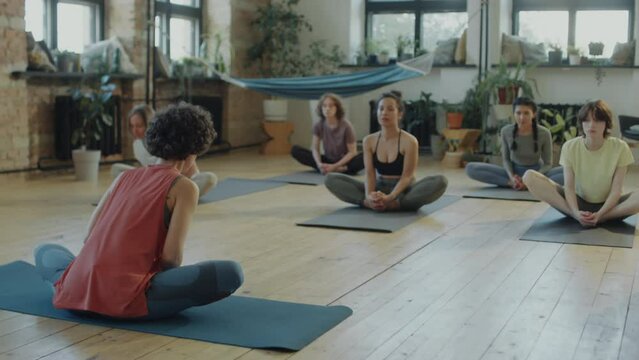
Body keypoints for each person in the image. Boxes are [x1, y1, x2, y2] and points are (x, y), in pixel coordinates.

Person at [34, 103, 243, 319]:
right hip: (126, 298)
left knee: (44, 250)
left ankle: (75, 284)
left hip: (76, 291)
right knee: (231, 273)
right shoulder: (186, 187)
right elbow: (171, 259)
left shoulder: (124, 177)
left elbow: (89, 236)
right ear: (194, 151)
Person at [324, 91, 448, 212]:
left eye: (390, 109)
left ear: (399, 114)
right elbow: (370, 174)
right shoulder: (369, 141)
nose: (384, 113)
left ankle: (397, 205)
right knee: (330, 179)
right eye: (381, 109)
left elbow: (407, 177)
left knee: (440, 181)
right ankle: (368, 203)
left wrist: (390, 197)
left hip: (403, 189)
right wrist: (369, 196)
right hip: (379, 186)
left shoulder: (410, 141)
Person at [523, 99, 639, 227]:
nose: (591, 125)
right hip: (578, 203)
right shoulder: (570, 147)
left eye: (597, 120)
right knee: (529, 176)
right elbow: (569, 187)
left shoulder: (620, 147)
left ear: (606, 123)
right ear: (581, 123)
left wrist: (600, 214)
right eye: (587, 120)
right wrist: (575, 212)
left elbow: (616, 190)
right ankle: (577, 216)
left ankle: (604, 218)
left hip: (611, 206)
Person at [111, 104, 218, 198]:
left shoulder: (166, 140)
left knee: (210, 179)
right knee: (117, 170)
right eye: (132, 126)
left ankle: (169, 193)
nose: (135, 130)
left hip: (177, 180)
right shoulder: (137, 144)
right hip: (155, 181)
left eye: (139, 126)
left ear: (148, 124)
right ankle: (163, 194)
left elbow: (188, 168)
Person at [465, 97, 563, 190]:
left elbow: (547, 164)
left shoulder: (544, 133)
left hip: (537, 173)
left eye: (526, 113)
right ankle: (513, 183)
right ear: (514, 113)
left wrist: (532, 178)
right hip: (514, 172)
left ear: (533, 114)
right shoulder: (506, 131)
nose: (521, 117)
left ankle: (529, 184)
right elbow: (506, 160)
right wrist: (511, 177)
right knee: (471, 168)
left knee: (568, 173)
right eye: (518, 113)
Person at [291, 93, 364, 174]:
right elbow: (315, 149)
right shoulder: (318, 125)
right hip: (328, 159)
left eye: (331, 106)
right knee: (295, 150)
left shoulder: (346, 126)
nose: (327, 109)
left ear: (337, 108)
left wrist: (335, 166)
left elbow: (352, 152)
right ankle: (329, 168)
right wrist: (319, 164)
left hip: (344, 161)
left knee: (366, 156)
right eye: (324, 106)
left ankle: (338, 169)